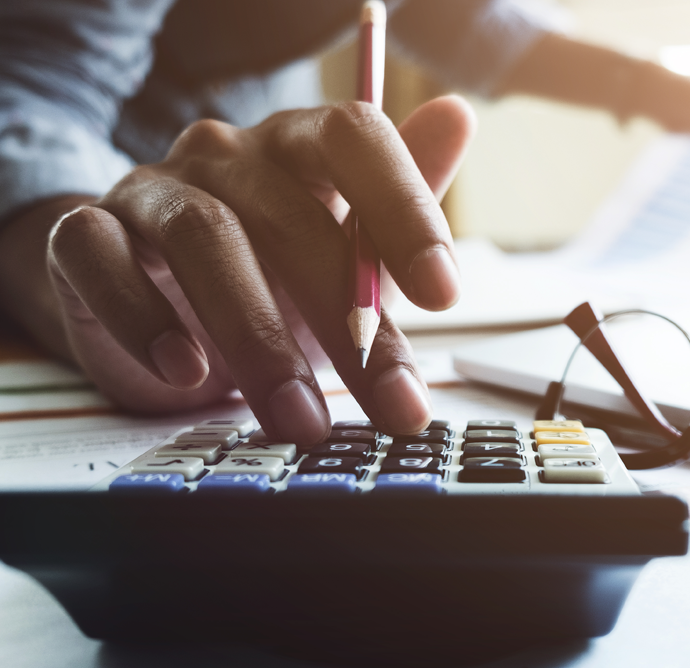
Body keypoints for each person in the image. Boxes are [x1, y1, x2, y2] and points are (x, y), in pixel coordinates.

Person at [1, 0, 689, 446]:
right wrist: (77, 257)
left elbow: (474, 25)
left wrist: (657, 88)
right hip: (129, 268)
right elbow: (36, 86)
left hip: (275, 272)